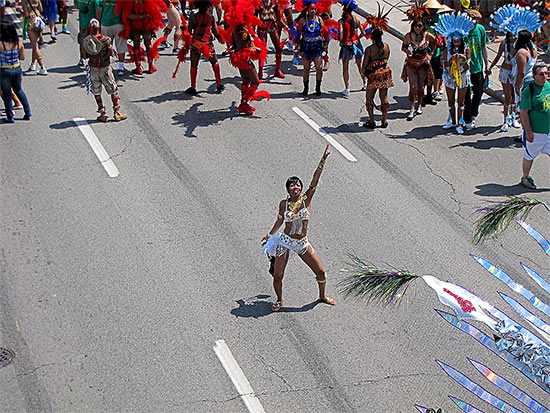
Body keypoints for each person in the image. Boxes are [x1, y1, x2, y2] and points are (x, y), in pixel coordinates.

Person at [261, 143, 336, 312]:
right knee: (278, 275)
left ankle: (322, 296)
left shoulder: (306, 200)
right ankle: (279, 300)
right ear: (288, 190)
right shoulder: (284, 204)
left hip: (302, 243)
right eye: (292, 185)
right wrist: (269, 235)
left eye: (298, 185)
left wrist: (323, 159)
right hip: (285, 242)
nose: (295, 187)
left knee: (321, 273)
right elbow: (280, 222)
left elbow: (315, 180)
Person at [434, 11, 474, 134]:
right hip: (450, 76)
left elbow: (468, 66)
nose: (456, 43)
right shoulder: (447, 50)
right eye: (454, 41)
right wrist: (451, 60)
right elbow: (444, 64)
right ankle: (452, 120)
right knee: (451, 100)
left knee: (460, 101)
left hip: (462, 76)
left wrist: (463, 59)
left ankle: (460, 123)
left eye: (458, 41)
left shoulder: (467, 48)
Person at [83, 19, 127, 122]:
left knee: (97, 92)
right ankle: (116, 112)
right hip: (105, 69)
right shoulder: (106, 40)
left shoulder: (87, 41)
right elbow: (111, 53)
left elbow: (84, 55)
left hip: (93, 69)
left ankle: (102, 114)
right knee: (113, 90)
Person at [401, 3, 435, 121]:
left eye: (420, 25)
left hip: (423, 64)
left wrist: (430, 55)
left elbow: (435, 42)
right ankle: (412, 108)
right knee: (413, 87)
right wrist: (408, 51)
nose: (418, 28)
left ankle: (420, 105)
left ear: (423, 26)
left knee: (421, 87)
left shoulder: (427, 35)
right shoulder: (408, 36)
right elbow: (403, 47)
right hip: (411, 64)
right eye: (416, 25)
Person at [519, 62, 549, 189]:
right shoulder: (528, 91)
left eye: (546, 73)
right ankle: (525, 177)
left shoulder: (549, 86)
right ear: (534, 75)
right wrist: (528, 132)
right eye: (541, 74)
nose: (545, 76)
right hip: (535, 133)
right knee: (529, 156)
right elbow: (524, 113)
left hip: (549, 131)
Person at [115, 0, 167, 74]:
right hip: (146, 24)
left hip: (135, 24)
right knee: (148, 44)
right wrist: (143, 16)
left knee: (136, 45)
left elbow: (127, 14)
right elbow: (153, 11)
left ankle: (138, 67)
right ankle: (150, 66)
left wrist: (139, 17)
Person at [184, 0, 224, 96]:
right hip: (208, 43)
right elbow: (216, 32)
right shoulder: (211, 18)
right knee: (214, 62)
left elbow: (189, 32)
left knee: (194, 65)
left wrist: (186, 45)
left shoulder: (193, 18)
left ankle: (193, 87)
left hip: (195, 43)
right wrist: (221, 39)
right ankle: (219, 84)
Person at [0, 21, 31, 122]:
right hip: (17, 68)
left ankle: (10, 117)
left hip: (4, 69)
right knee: (19, 90)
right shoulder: (19, 42)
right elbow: (22, 57)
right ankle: (27, 112)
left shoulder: (1, 44)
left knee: (7, 93)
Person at [488, 31, 519, 132]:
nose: (513, 37)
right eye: (510, 36)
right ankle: (506, 120)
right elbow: (497, 57)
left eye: (514, 35)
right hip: (505, 72)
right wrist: (490, 67)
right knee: (508, 97)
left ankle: (513, 117)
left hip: (515, 73)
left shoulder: (520, 45)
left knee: (515, 97)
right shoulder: (504, 44)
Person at [463, 9, 488, 130]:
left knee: (478, 92)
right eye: (472, 19)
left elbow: (483, 47)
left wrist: (487, 64)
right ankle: (467, 118)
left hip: (478, 67)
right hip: (466, 68)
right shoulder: (463, 31)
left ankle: (474, 111)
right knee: (466, 94)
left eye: (476, 19)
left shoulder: (481, 29)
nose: (474, 22)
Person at [362, 27, 393, 128]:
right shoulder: (386, 47)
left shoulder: (370, 49)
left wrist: (364, 73)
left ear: (372, 37)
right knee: (384, 98)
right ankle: (384, 120)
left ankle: (372, 121)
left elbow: (365, 65)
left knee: (369, 98)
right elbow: (387, 58)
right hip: (385, 73)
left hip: (374, 75)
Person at [296, 0, 325, 96]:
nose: (313, 11)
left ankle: (318, 88)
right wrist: (297, 49)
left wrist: (325, 48)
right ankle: (306, 88)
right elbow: (297, 35)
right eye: (311, 9)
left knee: (319, 67)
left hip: (317, 47)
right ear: (307, 10)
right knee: (306, 68)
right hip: (306, 47)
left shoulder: (319, 20)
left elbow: (324, 34)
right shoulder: (302, 20)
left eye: (314, 9)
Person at [338, 0, 366, 96]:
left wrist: (341, 41)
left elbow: (341, 35)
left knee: (345, 67)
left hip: (346, 46)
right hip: (356, 44)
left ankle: (347, 88)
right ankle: (365, 83)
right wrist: (357, 38)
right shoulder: (356, 19)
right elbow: (363, 33)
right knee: (359, 64)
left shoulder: (341, 21)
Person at [256, 0, 285, 79]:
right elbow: (254, 18)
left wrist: (287, 28)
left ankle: (277, 70)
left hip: (272, 27)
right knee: (262, 50)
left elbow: (279, 18)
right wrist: (251, 32)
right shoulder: (258, 4)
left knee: (279, 48)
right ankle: (260, 71)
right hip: (262, 28)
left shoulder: (274, 3)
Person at [98, 0, 128, 76]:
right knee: (121, 46)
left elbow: (99, 10)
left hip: (106, 24)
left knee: (106, 47)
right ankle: (121, 68)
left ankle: (107, 67)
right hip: (119, 24)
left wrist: (99, 23)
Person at [22, 0, 48, 74]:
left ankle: (42, 66)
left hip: (31, 22)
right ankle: (33, 64)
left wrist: (20, 11)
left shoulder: (24, 1)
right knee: (35, 44)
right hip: (38, 21)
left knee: (35, 45)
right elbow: (41, 9)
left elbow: (26, 14)